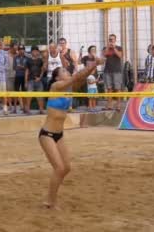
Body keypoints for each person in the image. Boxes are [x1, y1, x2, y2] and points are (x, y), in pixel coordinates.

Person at [40, 58, 102, 210]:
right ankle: (51, 201)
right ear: (56, 77)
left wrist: (94, 66)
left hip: (59, 134)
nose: (66, 72)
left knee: (66, 167)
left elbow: (80, 77)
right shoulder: (55, 86)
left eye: (67, 70)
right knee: (59, 168)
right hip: (46, 134)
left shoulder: (69, 88)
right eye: (63, 71)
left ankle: (51, 195)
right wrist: (91, 65)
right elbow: (75, 77)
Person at [102, 34, 123, 111]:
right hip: (107, 71)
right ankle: (109, 105)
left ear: (115, 40)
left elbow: (120, 56)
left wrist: (114, 47)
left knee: (118, 88)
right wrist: (108, 47)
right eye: (110, 39)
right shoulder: (105, 48)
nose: (111, 40)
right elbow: (104, 55)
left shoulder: (119, 47)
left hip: (117, 71)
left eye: (112, 39)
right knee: (109, 88)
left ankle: (118, 105)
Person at [25, 46, 45, 115]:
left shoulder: (40, 60)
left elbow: (43, 70)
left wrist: (40, 78)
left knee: (40, 96)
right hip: (30, 80)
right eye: (33, 51)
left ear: (38, 52)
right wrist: (25, 81)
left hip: (39, 80)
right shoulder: (28, 60)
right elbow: (26, 71)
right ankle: (27, 109)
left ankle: (41, 109)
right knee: (29, 95)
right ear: (31, 52)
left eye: (36, 51)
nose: (35, 52)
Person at [13, 45, 28, 113]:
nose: (21, 51)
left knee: (24, 92)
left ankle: (25, 107)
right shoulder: (15, 57)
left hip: (24, 76)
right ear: (18, 50)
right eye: (20, 49)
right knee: (16, 92)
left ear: (24, 50)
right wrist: (22, 67)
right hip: (17, 75)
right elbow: (14, 67)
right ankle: (15, 108)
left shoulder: (27, 57)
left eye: (22, 49)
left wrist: (21, 67)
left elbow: (27, 68)